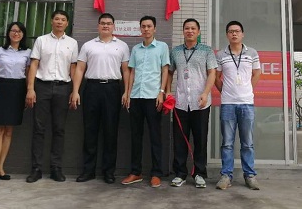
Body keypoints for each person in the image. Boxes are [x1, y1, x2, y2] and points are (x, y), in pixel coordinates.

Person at [70, 13, 130, 184]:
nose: (105, 26)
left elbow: (126, 70)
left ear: (113, 26)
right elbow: (80, 69)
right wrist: (75, 91)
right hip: (91, 88)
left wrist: (126, 91)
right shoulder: (88, 45)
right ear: (98, 25)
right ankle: (88, 171)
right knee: (90, 130)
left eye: (109, 23)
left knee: (111, 131)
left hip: (113, 89)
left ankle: (108, 172)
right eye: (103, 23)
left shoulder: (122, 46)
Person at [25, 10, 78, 183]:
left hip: (63, 88)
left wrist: (74, 91)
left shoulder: (72, 43)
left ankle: (56, 168)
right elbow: (34, 64)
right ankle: (36, 168)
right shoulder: (41, 40)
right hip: (42, 87)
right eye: (57, 19)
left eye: (63, 20)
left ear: (67, 23)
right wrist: (30, 88)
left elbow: (73, 68)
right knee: (38, 128)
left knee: (59, 129)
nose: (59, 22)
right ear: (51, 21)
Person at [166, 18, 217, 189]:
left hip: (200, 102)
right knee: (180, 140)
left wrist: (205, 93)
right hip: (181, 102)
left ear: (198, 31)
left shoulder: (207, 51)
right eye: (187, 28)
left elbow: (212, 73)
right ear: (183, 31)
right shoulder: (176, 52)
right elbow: (170, 72)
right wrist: (168, 91)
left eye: (193, 28)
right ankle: (180, 174)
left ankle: (199, 173)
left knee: (200, 139)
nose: (190, 31)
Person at [121, 15, 169, 188]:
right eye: (143, 26)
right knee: (135, 136)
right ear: (140, 29)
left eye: (149, 26)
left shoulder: (162, 47)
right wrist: (127, 93)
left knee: (155, 136)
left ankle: (156, 173)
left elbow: (165, 70)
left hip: (153, 97)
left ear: (154, 28)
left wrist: (161, 92)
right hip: (136, 97)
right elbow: (132, 72)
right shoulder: (136, 49)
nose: (146, 29)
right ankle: (136, 172)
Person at [215, 20, 261, 191]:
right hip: (228, 103)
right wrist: (224, 91)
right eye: (231, 31)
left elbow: (257, 73)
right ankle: (226, 176)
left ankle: (250, 175)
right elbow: (216, 77)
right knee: (227, 143)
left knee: (247, 143)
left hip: (247, 103)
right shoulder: (221, 54)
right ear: (227, 35)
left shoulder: (252, 53)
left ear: (242, 34)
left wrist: (248, 89)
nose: (234, 34)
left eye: (237, 31)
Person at [0, 21, 31, 184]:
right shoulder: (0, 51)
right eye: (13, 30)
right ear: (8, 33)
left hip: (18, 89)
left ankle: (1, 167)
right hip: (1, 88)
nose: (16, 33)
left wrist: (28, 92)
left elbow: (28, 74)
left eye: (19, 31)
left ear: (23, 34)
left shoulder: (28, 52)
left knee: (9, 131)